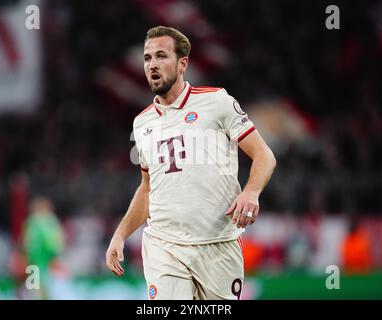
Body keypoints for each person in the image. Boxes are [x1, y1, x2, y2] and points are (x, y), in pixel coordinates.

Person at [106, 26, 276, 300]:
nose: (152, 64)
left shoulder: (217, 101)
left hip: (218, 243)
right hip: (165, 245)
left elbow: (264, 156)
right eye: (148, 58)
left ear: (182, 63)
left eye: (161, 56)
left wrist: (251, 192)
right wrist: (120, 235)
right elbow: (148, 188)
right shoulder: (142, 123)